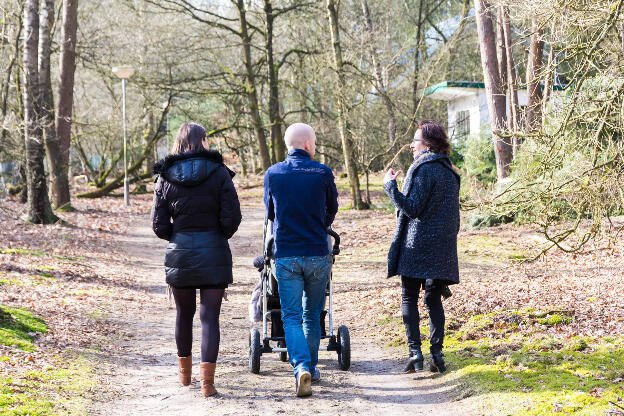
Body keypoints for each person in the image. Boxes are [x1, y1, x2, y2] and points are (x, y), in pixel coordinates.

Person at [151, 122, 242, 397]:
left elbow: (158, 224)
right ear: (203, 141)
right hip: (214, 250)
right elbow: (232, 217)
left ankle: (185, 377)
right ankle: (207, 384)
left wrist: (178, 237)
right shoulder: (219, 173)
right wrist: (218, 235)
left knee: (183, 314)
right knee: (209, 318)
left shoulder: (165, 176)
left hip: (180, 252)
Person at [263, 123, 339, 397]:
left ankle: (301, 368)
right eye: (315, 140)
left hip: (287, 254)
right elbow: (332, 209)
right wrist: (318, 224)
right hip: (318, 252)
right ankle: (311, 367)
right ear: (307, 144)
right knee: (311, 314)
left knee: (291, 316)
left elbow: (270, 213)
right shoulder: (322, 173)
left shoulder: (273, 173)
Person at [383, 120, 460, 374]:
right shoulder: (450, 171)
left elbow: (412, 208)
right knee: (433, 300)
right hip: (442, 247)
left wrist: (390, 188)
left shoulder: (423, 169)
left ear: (427, 144)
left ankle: (415, 354)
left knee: (409, 297)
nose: (411, 147)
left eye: (414, 142)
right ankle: (436, 355)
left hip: (416, 245)